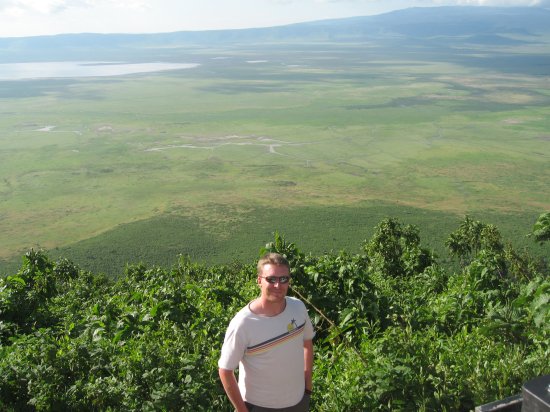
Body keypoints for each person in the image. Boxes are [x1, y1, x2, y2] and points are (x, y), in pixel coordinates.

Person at [218, 253, 315, 411]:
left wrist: (307, 384)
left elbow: (307, 342)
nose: (278, 285)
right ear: (259, 281)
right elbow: (225, 370)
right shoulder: (243, 323)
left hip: (299, 401)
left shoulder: (298, 307)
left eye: (283, 279)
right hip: (259, 406)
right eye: (271, 279)